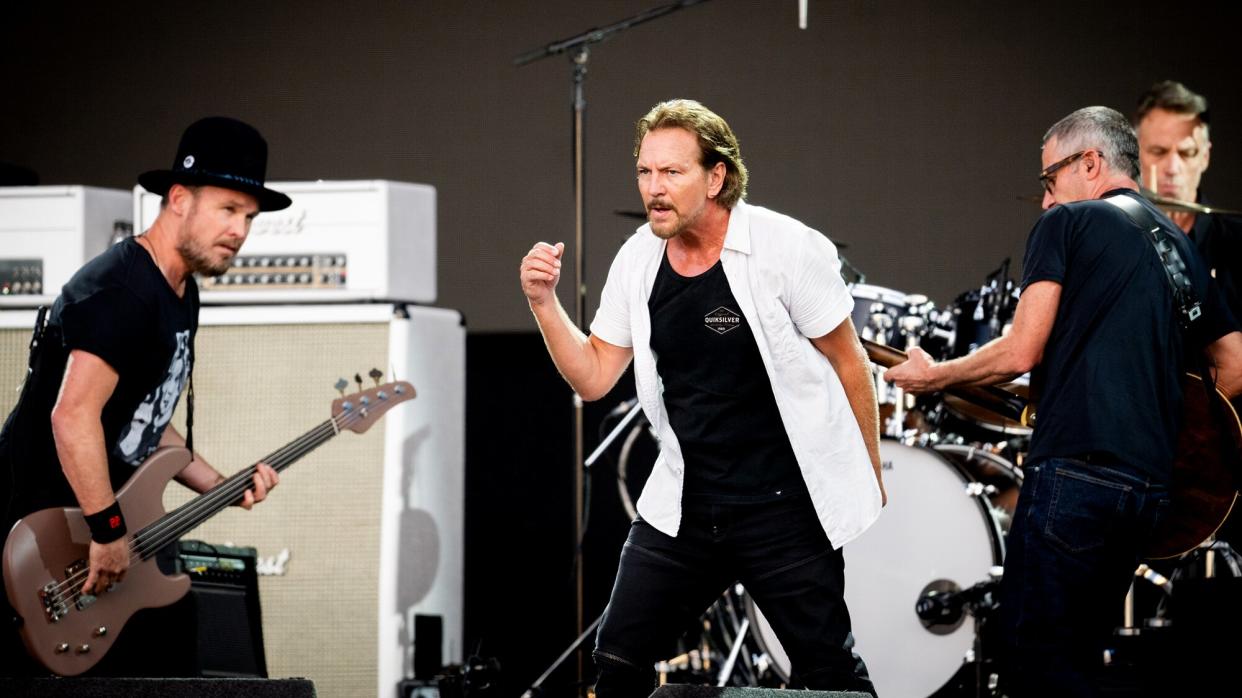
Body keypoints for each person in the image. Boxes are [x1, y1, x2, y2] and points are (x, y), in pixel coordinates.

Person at [519, 99, 884, 696]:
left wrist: (868, 465)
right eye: (645, 172)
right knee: (618, 663)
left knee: (829, 674)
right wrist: (543, 302)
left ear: (716, 177)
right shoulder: (638, 258)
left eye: (672, 172)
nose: (653, 188)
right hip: (687, 503)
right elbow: (593, 377)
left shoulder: (786, 248)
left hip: (784, 506)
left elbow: (850, 361)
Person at [886, 106, 1242, 697]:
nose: (1048, 200)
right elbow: (1231, 365)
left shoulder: (1069, 223)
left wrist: (937, 375)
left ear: (1091, 162)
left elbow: (1022, 350)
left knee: (1032, 663)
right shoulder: (1178, 244)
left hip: (1076, 476)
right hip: (1149, 493)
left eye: (1050, 180)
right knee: (1078, 657)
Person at [0, 116, 291, 676]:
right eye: (228, 209)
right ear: (178, 198)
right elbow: (72, 416)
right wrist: (107, 530)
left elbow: (145, 418)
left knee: (174, 646)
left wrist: (222, 485)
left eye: (249, 218)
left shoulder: (180, 290)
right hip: (49, 541)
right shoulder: (121, 289)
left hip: (104, 530)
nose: (240, 230)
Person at [1135, 80, 1242, 319]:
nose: (1172, 168)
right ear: (1134, 153)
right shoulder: (1107, 239)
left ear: (1205, 156)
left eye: (1187, 152)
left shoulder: (1236, 246)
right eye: (1158, 152)